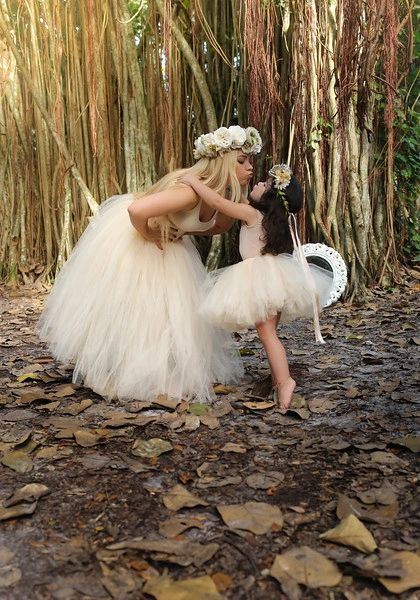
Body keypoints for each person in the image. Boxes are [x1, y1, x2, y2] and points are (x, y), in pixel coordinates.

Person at [38, 125, 262, 403]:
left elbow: (216, 225)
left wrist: (185, 231)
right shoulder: (189, 192)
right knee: (144, 310)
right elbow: (137, 210)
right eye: (241, 161)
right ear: (223, 164)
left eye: (250, 160)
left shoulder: (224, 196)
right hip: (138, 237)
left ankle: (155, 368)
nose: (250, 167)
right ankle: (121, 370)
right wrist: (149, 234)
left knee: (173, 312)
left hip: (171, 243)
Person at [179, 164, 333, 409]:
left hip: (261, 280)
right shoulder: (269, 218)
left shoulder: (251, 214)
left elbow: (218, 203)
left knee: (268, 335)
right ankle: (278, 380)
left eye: (265, 185)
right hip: (276, 278)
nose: (259, 184)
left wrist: (193, 182)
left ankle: (285, 382)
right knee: (268, 334)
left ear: (270, 197)